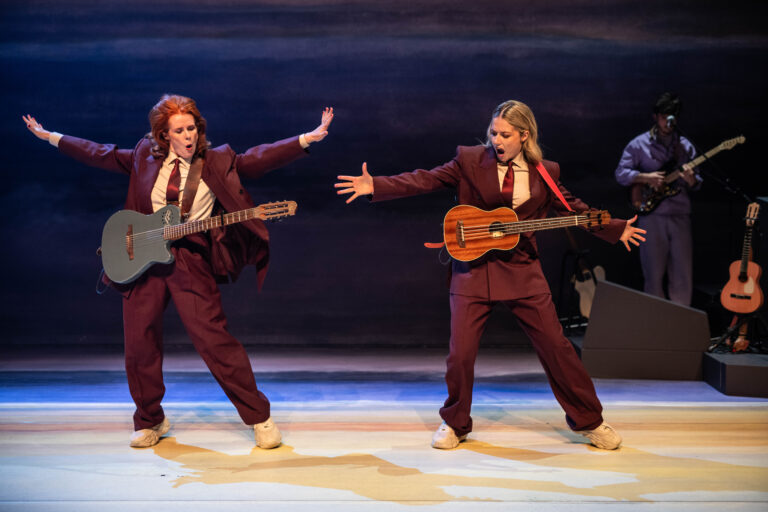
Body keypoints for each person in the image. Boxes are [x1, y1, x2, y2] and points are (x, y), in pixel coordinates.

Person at [23, 95, 334, 448]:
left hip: (191, 258)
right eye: (179, 130)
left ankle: (259, 417)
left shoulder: (217, 161)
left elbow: (258, 159)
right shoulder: (144, 156)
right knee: (139, 342)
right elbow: (101, 153)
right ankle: (149, 419)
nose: (188, 136)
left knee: (214, 339)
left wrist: (306, 139)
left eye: (192, 129)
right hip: (144, 256)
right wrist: (51, 136)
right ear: (163, 135)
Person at [335, 100, 645, 450]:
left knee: (557, 348)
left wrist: (615, 228)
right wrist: (376, 185)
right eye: (493, 132)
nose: (497, 140)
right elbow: (425, 179)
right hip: (474, 269)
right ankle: (455, 423)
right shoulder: (469, 160)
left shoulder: (545, 171)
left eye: (505, 134)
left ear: (524, 135)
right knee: (461, 354)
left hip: (522, 269)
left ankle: (590, 420)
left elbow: (573, 207)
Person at [615, 92, 700, 305]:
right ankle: (656, 327)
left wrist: (691, 179)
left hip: (680, 214)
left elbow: (697, 182)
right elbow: (621, 174)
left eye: (673, 117)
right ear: (656, 116)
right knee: (653, 274)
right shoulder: (638, 144)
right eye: (664, 116)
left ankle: (680, 326)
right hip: (652, 216)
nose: (668, 122)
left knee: (682, 275)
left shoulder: (685, 146)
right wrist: (646, 177)